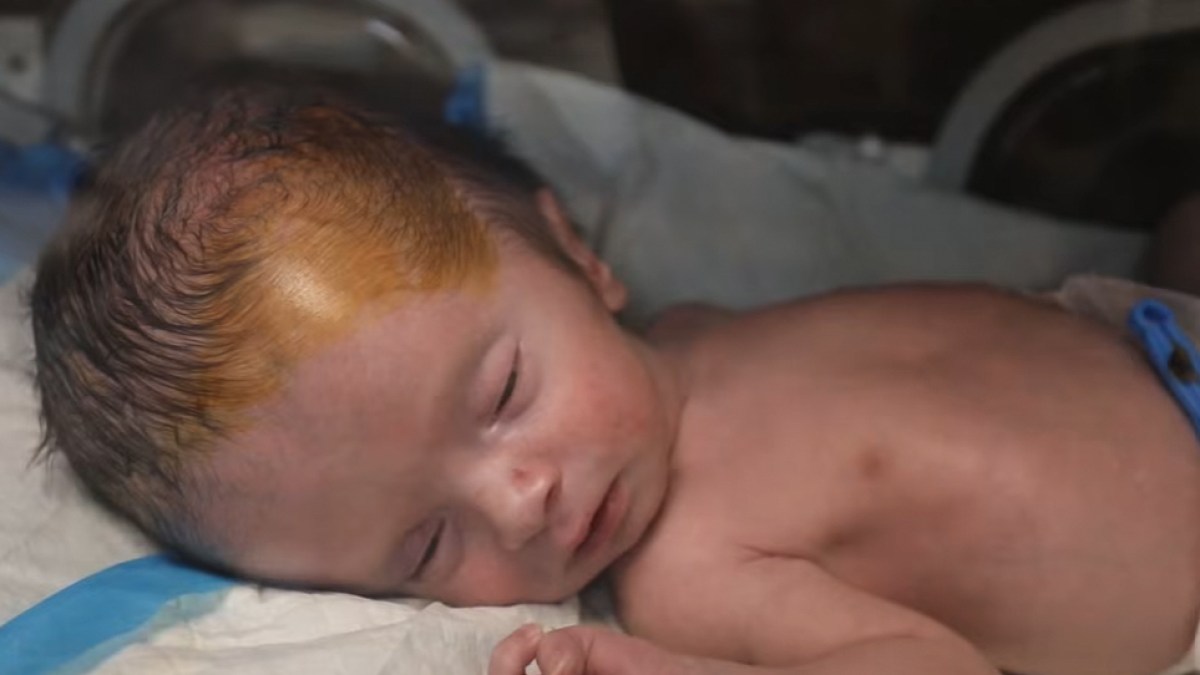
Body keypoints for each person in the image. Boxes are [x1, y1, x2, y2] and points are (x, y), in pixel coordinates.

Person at [29, 84, 1200, 675]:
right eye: (427, 547)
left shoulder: (696, 332)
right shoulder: (690, 568)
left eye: (503, 396)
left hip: (1135, 332)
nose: (519, 500)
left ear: (580, 255)